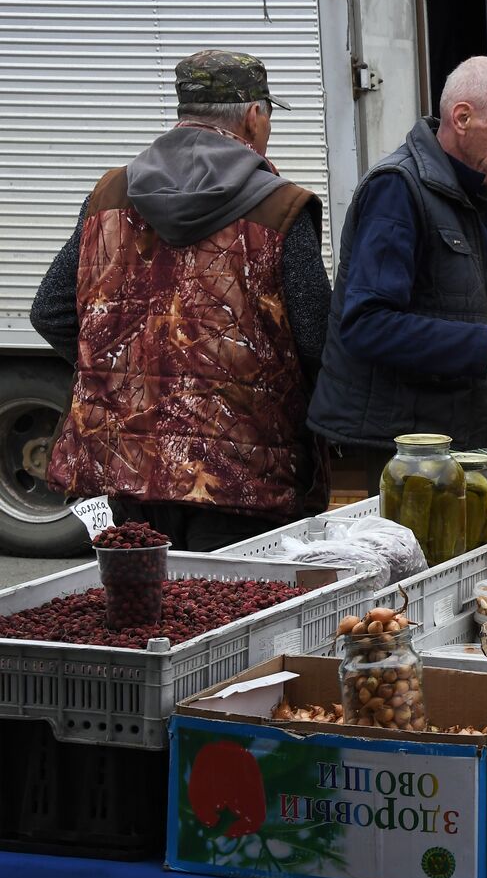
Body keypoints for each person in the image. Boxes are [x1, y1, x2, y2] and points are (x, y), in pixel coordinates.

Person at [31, 50, 331, 552]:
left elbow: (51, 312)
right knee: (234, 619)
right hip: (244, 477)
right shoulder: (281, 208)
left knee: (145, 617)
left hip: (124, 466)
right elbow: (319, 342)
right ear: (255, 116)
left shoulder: (108, 195)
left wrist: (125, 378)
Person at [307, 56, 487, 482]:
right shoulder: (396, 188)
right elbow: (367, 323)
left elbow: (463, 309)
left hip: (452, 445)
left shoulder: (484, 193)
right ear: (462, 117)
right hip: (394, 455)